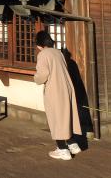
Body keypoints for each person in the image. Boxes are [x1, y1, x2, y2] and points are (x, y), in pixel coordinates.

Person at [34, 30, 82, 160]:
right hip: (66, 87)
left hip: (54, 90)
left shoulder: (43, 54)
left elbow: (42, 75)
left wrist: (36, 78)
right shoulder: (58, 52)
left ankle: (62, 149)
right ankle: (73, 144)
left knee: (56, 118)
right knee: (66, 116)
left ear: (39, 44)